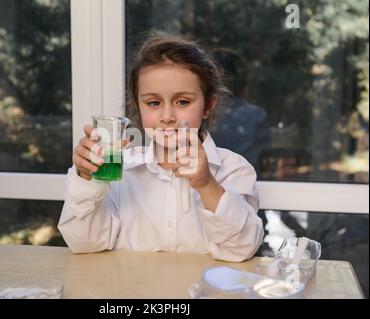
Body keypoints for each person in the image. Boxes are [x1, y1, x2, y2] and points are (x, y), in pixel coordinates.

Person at [58, 35, 264, 262]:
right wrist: (87, 178)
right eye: (153, 103)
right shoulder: (120, 171)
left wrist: (206, 185)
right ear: (138, 105)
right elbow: (84, 244)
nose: (167, 117)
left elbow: (242, 248)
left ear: (208, 106)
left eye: (183, 102)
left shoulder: (233, 169)